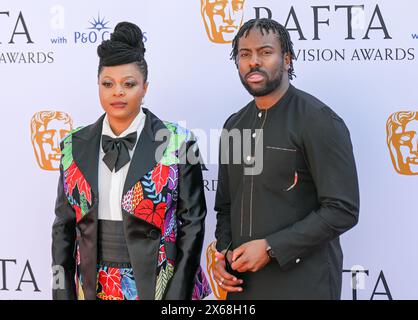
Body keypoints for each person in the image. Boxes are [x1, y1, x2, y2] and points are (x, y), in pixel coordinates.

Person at [52, 21, 210, 300]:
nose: (118, 92)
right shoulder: (72, 146)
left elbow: (193, 224)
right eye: (108, 84)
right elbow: (63, 228)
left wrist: (178, 293)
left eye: (129, 84)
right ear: (98, 86)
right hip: (94, 283)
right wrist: (61, 291)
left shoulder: (179, 141)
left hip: (162, 280)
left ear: (145, 87)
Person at [214, 18, 360, 299]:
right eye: (245, 54)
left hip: (304, 284)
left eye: (265, 52)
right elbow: (225, 206)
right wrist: (225, 250)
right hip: (244, 286)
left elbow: (343, 209)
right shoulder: (234, 126)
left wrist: (271, 247)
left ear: (287, 60)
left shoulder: (318, 121)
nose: (253, 62)